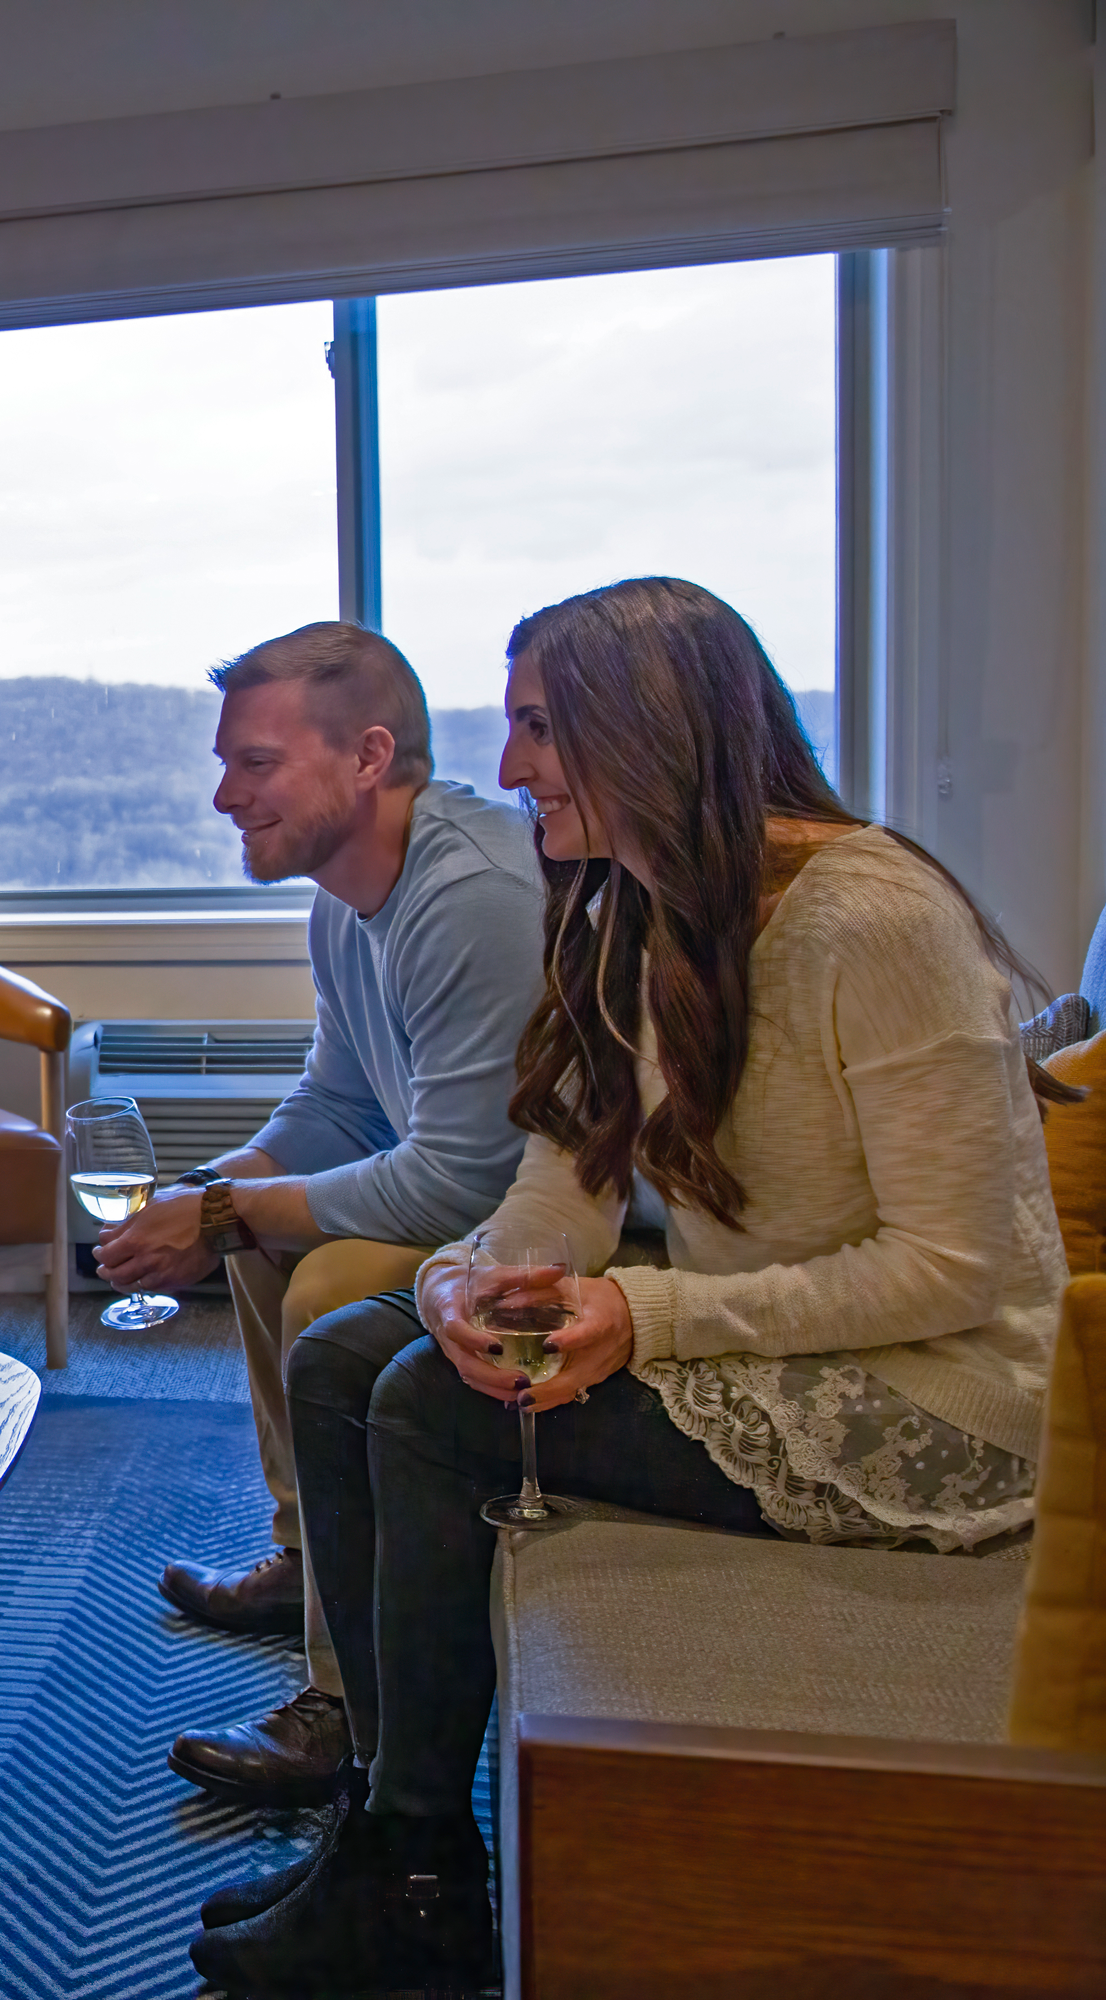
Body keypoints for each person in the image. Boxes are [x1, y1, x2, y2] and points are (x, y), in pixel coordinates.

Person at [192, 577, 1064, 1995]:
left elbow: (959, 1265)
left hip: (935, 1394)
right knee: (354, 1351)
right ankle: (370, 1791)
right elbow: (562, 1184)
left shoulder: (874, 916)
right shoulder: (617, 907)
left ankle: (416, 1873)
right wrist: (465, 1284)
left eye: (540, 726)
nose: (512, 762)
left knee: (425, 1412)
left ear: (648, 731)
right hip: (772, 1339)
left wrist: (651, 1314)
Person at [97, 622, 546, 1806]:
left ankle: (347, 1698)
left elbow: (466, 1180)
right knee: (254, 1224)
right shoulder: (343, 901)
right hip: (471, 1193)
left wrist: (231, 1208)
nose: (221, 795)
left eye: (255, 764)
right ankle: (311, 1558)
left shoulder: (474, 897)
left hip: (559, 1223)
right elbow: (340, 1099)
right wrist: (215, 1190)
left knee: (324, 1278)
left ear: (368, 756)